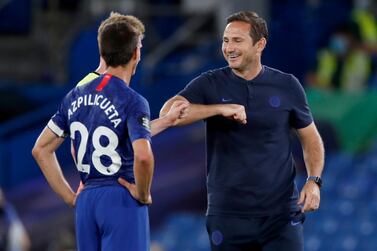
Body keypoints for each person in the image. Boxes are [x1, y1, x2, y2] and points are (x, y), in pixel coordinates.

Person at [160, 11, 325, 251]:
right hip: (227, 216)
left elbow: (310, 138)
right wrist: (217, 109)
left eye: (237, 40)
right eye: (226, 40)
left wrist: (314, 181)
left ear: (260, 45)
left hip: (280, 216)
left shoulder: (287, 85)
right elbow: (168, 114)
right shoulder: (210, 83)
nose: (229, 48)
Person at [32, 13, 188, 251]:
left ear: (102, 51)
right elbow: (143, 156)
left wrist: (71, 197)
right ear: (136, 53)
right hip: (121, 198)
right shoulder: (132, 100)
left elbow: (41, 149)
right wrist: (143, 193)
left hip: (87, 203)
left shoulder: (75, 96)